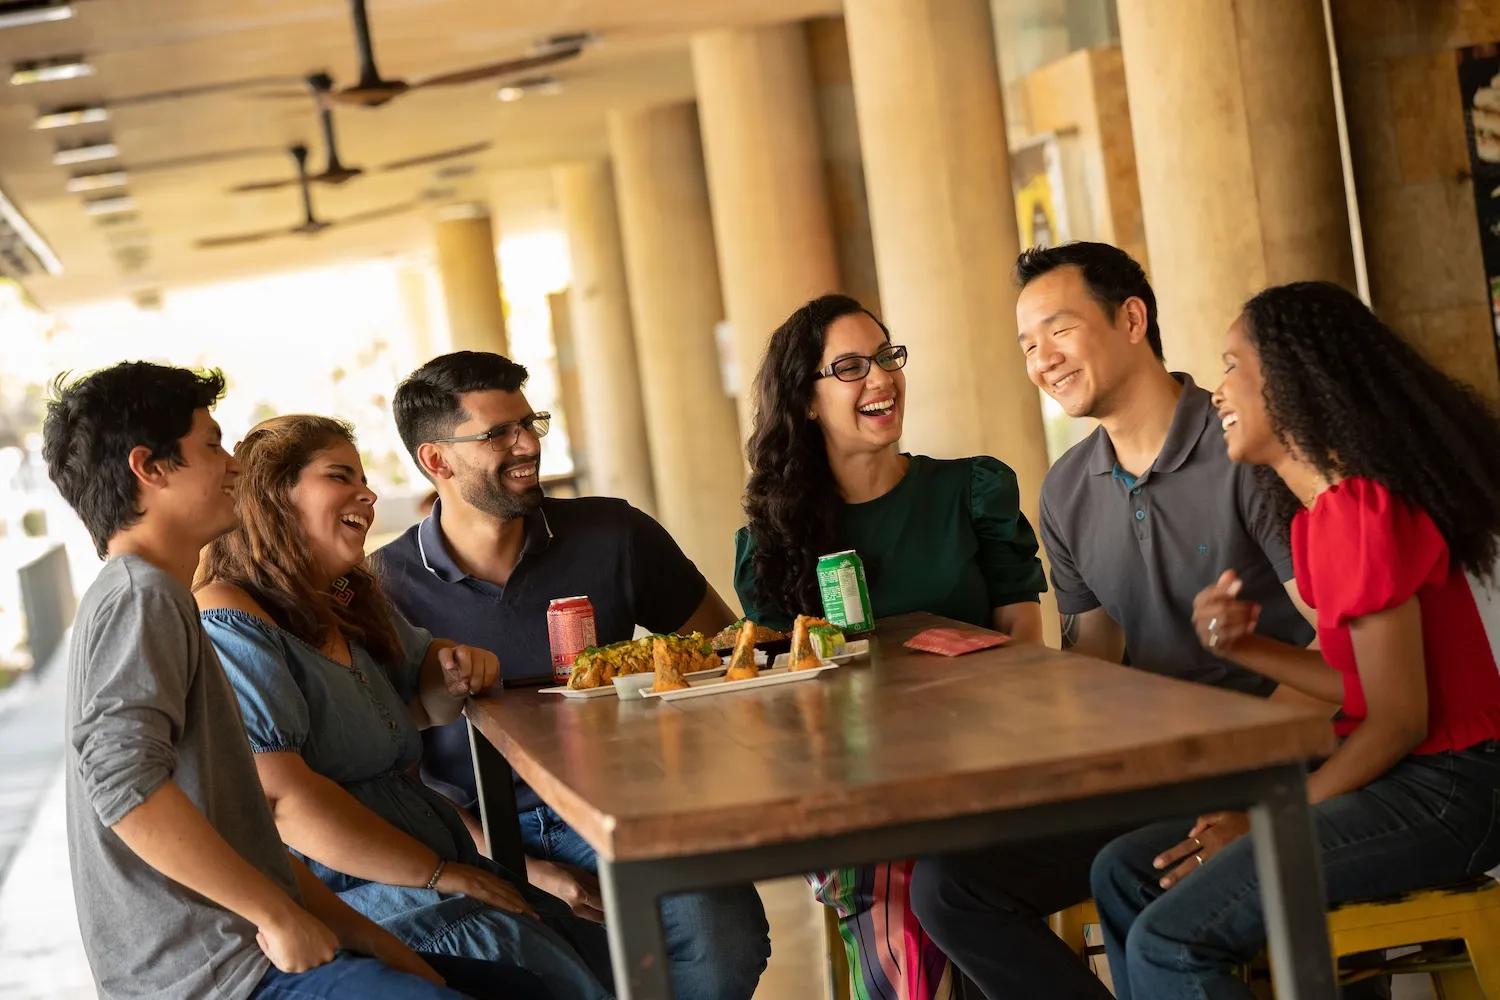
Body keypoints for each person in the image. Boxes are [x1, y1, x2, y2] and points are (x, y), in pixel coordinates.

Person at [907, 243, 1317, 999]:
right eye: (1028, 346)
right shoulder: (1065, 491)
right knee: (949, 885)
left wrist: (1254, 787)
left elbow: (1339, 651)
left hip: (1271, 755)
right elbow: (1092, 659)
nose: (1043, 361)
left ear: (1133, 318)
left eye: (1058, 330)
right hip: (1154, 769)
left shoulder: (1246, 449)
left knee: (1132, 870)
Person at [1090, 281, 1500, 998]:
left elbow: (1399, 721)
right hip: (1412, 776)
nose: (1215, 389)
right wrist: (1243, 648)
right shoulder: (1320, 519)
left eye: (1229, 365)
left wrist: (1260, 821)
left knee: (1172, 941)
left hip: (1453, 792)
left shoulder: (1362, 508)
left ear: (1288, 378)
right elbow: (1365, 689)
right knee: (1124, 872)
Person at [41, 362, 480, 1000]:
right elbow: (120, 780)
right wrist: (274, 915)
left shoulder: (153, 595)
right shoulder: (143, 596)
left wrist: (367, 936)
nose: (234, 466)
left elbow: (240, 823)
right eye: (212, 445)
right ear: (151, 468)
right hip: (223, 973)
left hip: (250, 952)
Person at [375, 351, 771, 1000]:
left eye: (529, 423)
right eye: (497, 434)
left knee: (723, 950)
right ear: (436, 461)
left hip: (631, 807)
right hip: (478, 832)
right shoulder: (381, 587)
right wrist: (520, 866)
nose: (527, 444)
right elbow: (395, 773)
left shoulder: (614, 533)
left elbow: (726, 654)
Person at [194, 414, 611, 999]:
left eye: (364, 478)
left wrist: (453, 663)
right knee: (548, 968)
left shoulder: (343, 600)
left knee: (596, 953)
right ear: (272, 495)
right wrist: (440, 875)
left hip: (435, 866)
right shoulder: (229, 617)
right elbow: (281, 800)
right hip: (360, 891)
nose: (366, 494)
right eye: (340, 476)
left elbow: (423, 703)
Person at [735, 293, 1047, 1000]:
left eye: (885, 357)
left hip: (987, 761)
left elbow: (1025, 637)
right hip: (858, 791)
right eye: (848, 367)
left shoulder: (971, 488)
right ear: (806, 401)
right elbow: (785, 709)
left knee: (949, 879)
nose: (880, 379)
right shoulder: (769, 546)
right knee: (902, 882)